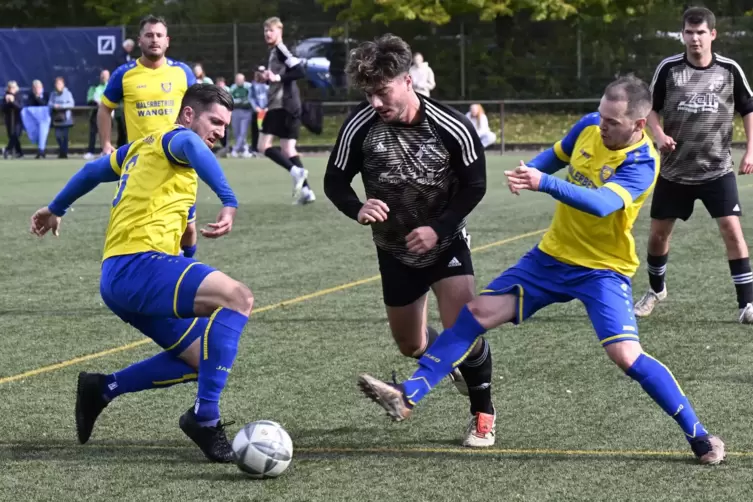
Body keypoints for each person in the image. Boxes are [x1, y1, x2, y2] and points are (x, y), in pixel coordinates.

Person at [356, 75, 726, 465]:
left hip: (602, 271)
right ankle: (407, 396)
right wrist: (528, 171)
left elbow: (601, 203)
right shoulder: (589, 126)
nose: (602, 126)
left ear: (638, 124)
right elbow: (556, 155)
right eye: (601, 116)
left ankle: (699, 436)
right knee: (475, 315)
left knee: (626, 355)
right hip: (549, 260)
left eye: (612, 122)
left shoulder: (642, 162)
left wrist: (544, 182)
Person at [29, 84, 251, 464]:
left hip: (125, 277)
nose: (219, 131)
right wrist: (229, 200)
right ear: (187, 116)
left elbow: (92, 171)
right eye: (214, 121)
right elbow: (194, 148)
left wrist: (55, 208)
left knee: (204, 358)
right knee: (238, 298)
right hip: (138, 267)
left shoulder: (140, 150)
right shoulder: (176, 139)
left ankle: (103, 388)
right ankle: (204, 419)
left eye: (225, 125)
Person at [323, 34, 492, 447]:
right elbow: (334, 181)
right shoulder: (360, 127)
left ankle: (482, 414)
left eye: (382, 92)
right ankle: (443, 361)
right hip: (393, 250)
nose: (376, 103)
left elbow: (476, 185)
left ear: (407, 81)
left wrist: (439, 226)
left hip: (446, 243)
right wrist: (357, 208)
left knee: (462, 331)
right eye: (368, 94)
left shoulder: (451, 126)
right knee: (410, 343)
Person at [634, 6, 753, 322]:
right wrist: (657, 133)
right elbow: (650, 110)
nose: (694, 39)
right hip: (674, 170)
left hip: (717, 169)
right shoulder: (669, 69)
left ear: (712, 34)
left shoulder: (729, 70)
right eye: (689, 32)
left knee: (732, 229)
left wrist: (751, 151)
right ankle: (656, 290)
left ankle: (747, 304)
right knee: (658, 235)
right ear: (682, 34)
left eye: (701, 32)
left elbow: (748, 108)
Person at [98, 15, 196, 154]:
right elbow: (104, 109)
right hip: (139, 162)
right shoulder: (123, 73)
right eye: (149, 35)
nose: (154, 39)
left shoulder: (183, 72)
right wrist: (106, 144)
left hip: (178, 159)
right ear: (140, 41)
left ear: (167, 41)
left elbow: (200, 109)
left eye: (159, 35)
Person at [258, 17, 315, 205]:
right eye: (265, 30)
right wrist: (269, 77)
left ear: (279, 31)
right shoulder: (275, 51)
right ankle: (307, 191)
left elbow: (299, 71)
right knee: (288, 149)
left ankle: (295, 172)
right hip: (291, 104)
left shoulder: (281, 50)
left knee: (262, 146)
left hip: (283, 105)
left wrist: (276, 78)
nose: (268, 33)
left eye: (271, 30)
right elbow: (282, 75)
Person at [84, 70, 110, 160]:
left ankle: (105, 150)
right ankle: (90, 151)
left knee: (105, 133)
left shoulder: (110, 87)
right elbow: (90, 98)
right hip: (96, 113)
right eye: (102, 75)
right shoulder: (95, 87)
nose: (103, 77)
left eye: (105, 75)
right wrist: (97, 103)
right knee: (93, 132)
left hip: (108, 112)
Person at [48, 76, 75, 159]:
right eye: (57, 84)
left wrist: (62, 106)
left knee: (65, 137)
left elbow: (71, 104)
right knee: (58, 136)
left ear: (63, 84)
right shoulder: (53, 94)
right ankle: (62, 150)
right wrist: (54, 105)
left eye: (60, 84)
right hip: (57, 118)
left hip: (66, 118)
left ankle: (64, 153)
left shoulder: (68, 93)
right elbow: (49, 104)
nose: (58, 85)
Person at [3, 80, 23, 159]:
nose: (11, 89)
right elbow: (3, 108)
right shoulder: (6, 96)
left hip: (18, 120)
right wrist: (8, 102)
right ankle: (19, 152)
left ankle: (7, 150)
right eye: (10, 87)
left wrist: (13, 101)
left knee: (16, 135)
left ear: (16, 88)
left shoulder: (19, 96)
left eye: (13, 87)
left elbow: (20, 107)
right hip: (9, 119)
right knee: (11, 136)